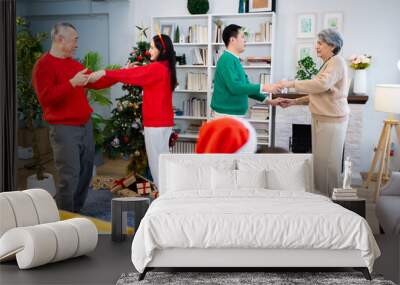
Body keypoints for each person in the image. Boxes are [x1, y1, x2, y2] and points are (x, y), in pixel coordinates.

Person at [32, 23, 117, 212]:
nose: (77, 44)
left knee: (86, 172)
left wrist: (122, 73)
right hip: (64, 129)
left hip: (84, 125)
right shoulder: (43, 66)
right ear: (60, 40)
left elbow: (95, 82)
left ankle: (75, 211)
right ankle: (64, 219)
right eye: (74, 40)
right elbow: (46, 99)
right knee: (69, 177)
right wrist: (71, 83)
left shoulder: (74, 64)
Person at [89, 34, 177, 189]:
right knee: (163, 160)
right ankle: (166, 191)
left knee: (157, 164)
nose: (149, 51)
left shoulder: (157, 68)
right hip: (163, 122)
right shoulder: (166, 67)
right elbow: (143, 73)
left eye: (152, 47)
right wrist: (134, 70)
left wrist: (105, 73)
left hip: (156, 124)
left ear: (162, 50)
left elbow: (134, 75)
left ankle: (162, 195)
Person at [277, 29, 349, 197]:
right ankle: (321, 199)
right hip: (322, 119)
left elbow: (320, 84)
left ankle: (331, 203)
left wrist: (291, 83)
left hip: (332, 121)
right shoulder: (328, 63)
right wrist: (294, 102)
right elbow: (319, 92)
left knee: (328, 167)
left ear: (332, 45)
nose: (316, 47)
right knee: (320, 164)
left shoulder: (337, 62)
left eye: (320, 43)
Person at [211, 24, 283, 118]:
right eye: (242, 37)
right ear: (232, 40)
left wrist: (269, 101)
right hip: (226, 115)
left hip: (232, 115)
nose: (245, 40)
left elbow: (246, 88)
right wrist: (264, 87)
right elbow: (235, 88)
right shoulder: (227, 59)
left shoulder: (234, 60)